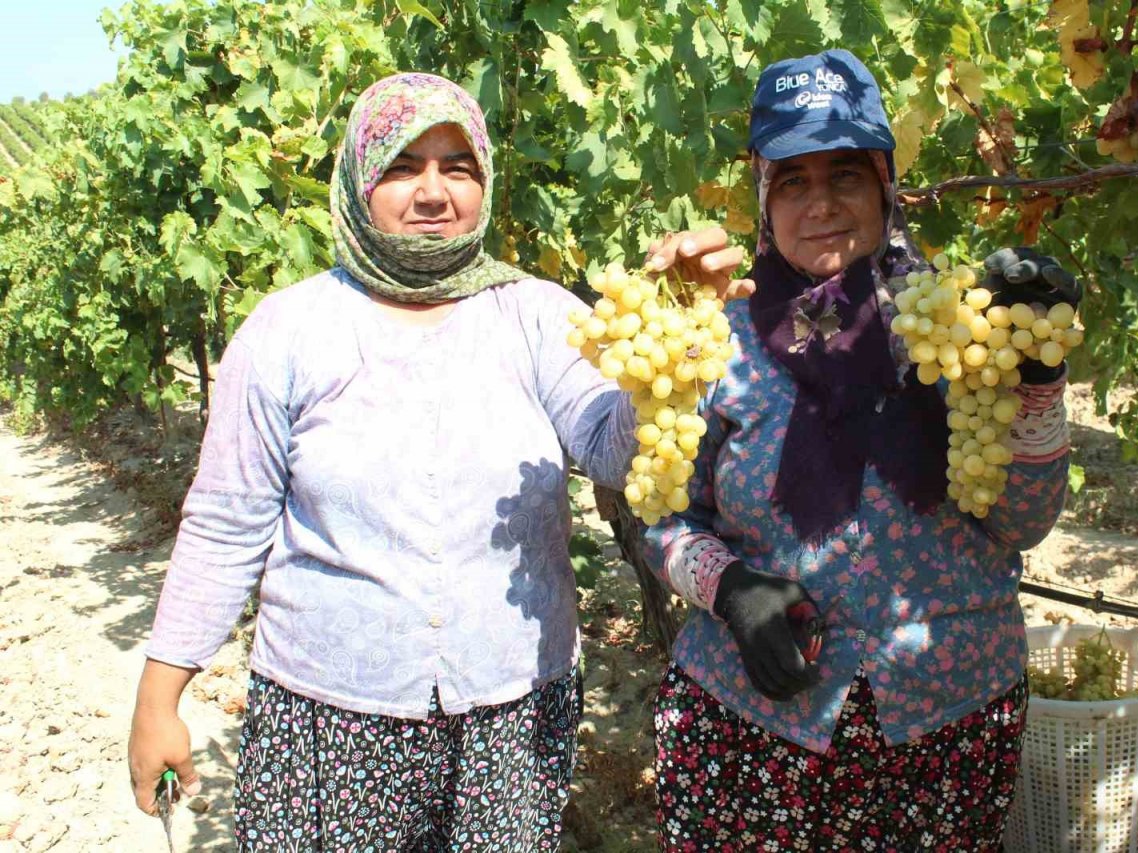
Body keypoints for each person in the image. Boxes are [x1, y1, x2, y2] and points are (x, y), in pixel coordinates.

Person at [126, 72, 747, 852]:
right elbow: (225, 523)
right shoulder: (287, 331)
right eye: (401, 165)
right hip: (330, 720)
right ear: (358, 180)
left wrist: (679, 340)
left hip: (513, 715)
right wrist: (161, 695)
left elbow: (614, 448)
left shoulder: (537, 315)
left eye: (458, 166)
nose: (433, 192)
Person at [644, 50, 1080, 851]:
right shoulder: (714, 338)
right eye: (793, 181)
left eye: (844, 175)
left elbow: (1022, 521)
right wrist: (728, 585)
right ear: (763, 198)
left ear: (886, 185)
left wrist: (1039, 378)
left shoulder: (959, 328)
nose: (821, 205)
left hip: (948, 717)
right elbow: (666, 521)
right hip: (753, 721)